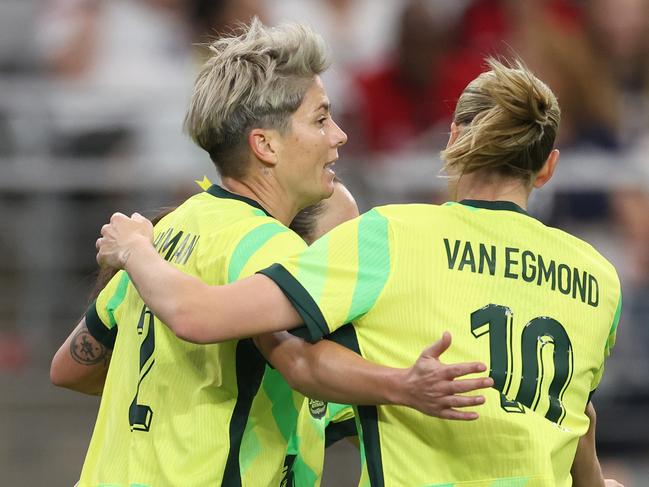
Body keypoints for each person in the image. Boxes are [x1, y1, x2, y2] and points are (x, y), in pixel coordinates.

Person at [96, 58, 623, 486]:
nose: (339, 136)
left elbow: (204, 317)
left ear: (456, 138)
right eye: (323, 119)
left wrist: (135, 249)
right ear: (548, 166)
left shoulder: (390, 237)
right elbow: (575, 422)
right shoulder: (600, 280)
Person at [53, 19, 493, 487]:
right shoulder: (269, 248)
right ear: (265, 144)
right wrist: (405, 385)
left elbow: (71, 367)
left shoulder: (166, 232)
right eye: (321, 119)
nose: (339, 136)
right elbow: (296, 362)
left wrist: (177, 385)